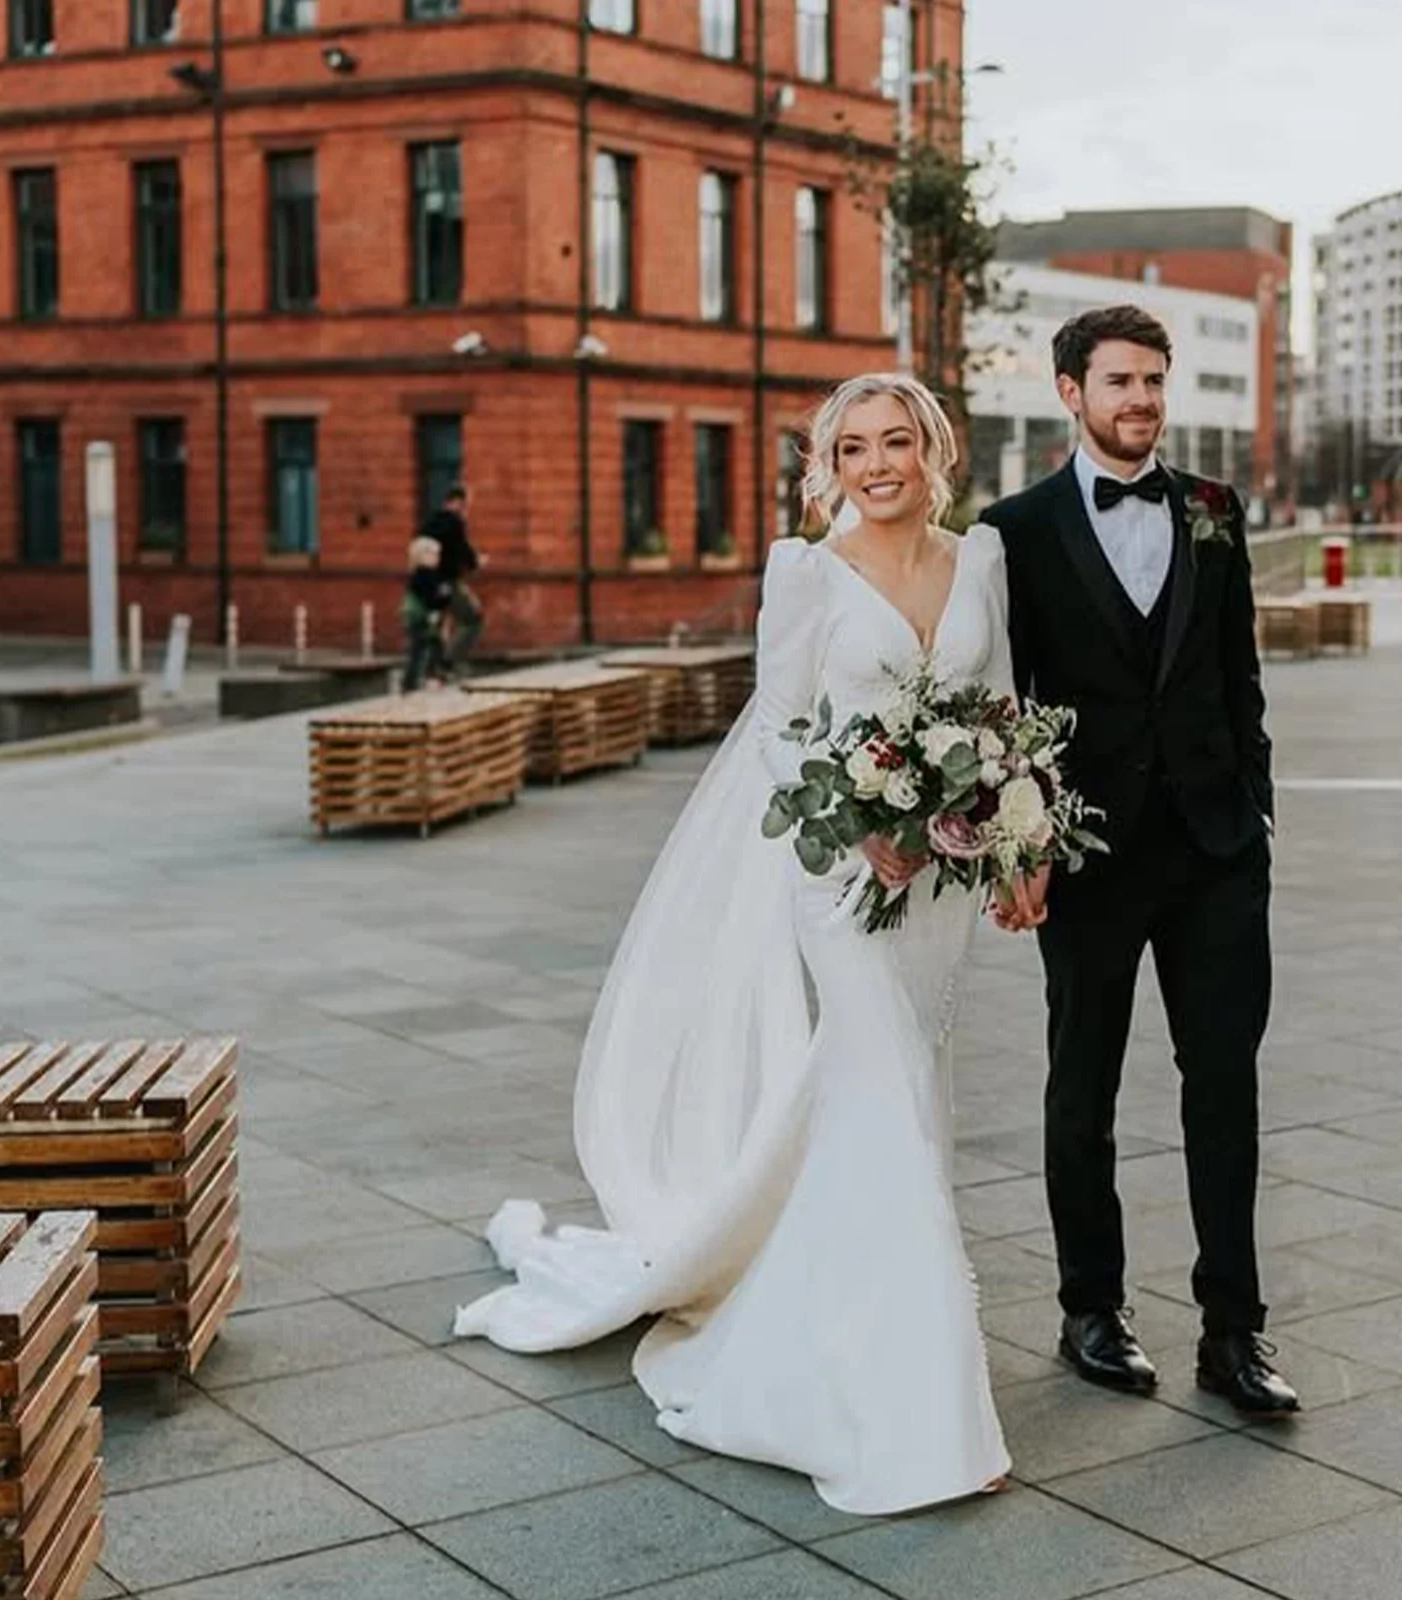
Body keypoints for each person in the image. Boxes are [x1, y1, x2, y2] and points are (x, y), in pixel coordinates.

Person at [455, 374, 1027, 1514]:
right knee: (890, 1097)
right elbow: (778, 727)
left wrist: (1020, 837)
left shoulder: (984, 561)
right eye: (852, 446)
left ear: (932, 450)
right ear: (830, 464)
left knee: (911, 1107)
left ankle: (850, 1333)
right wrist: (861, 833)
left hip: (946, 884)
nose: (877, 464)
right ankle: (915, 1417)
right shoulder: (804, 572)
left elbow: (1002, 706)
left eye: (896, 441)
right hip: (843, 878)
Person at [981, 305, 1300, 1418]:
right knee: (1085, 1088)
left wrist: (1254, 805)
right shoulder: (1009, 530)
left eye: (1155, 382)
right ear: (1069, 390)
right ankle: (1091, 1309)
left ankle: (1234, 1331)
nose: (1142, 402)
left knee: (1226, 1087)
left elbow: (1237, 670)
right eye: (1120, 381)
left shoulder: (1215, 511)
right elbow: (999, 703)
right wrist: (1019, 843)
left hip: (1216, 850)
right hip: (1090, 854)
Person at [421, 484, 483, 676]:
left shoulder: (429, 522)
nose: (465, 511)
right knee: (473, 619)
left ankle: (431, 669)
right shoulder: (454, 523)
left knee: (437, 624)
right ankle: (448, 662)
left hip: (426, 581)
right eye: (464, 506)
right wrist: (475, 563)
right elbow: (462, 549)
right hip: (447, 581)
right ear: (457, 502)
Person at [400, 533, 450, 692]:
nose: (437, 558)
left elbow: (440, 596)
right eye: (433, 554)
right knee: (422, 648)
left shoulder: (431, 575)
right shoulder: (422, 575)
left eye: (437, 554)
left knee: (430, 646)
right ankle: (415, 681)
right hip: (420, 616)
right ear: (421, 556)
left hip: (427, 616)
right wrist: (441, 597)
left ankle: (428, 677)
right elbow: (431, 596)